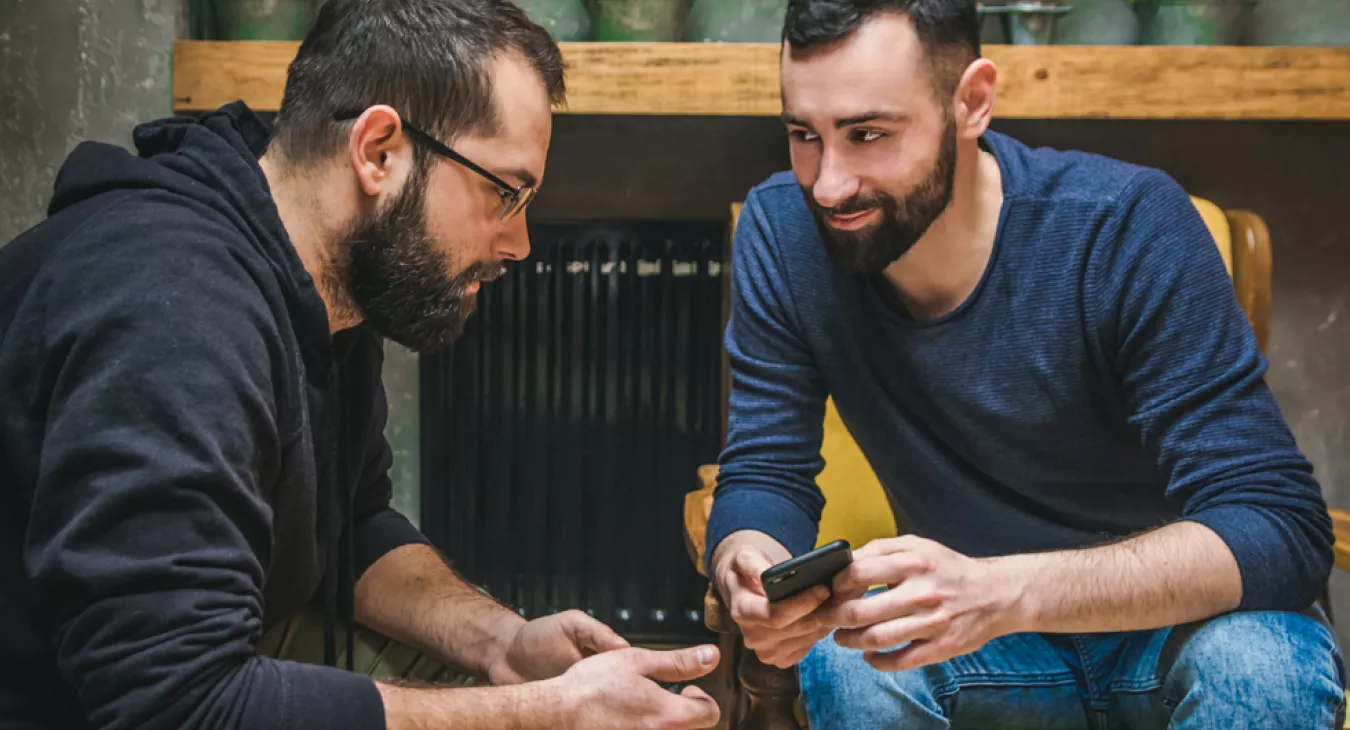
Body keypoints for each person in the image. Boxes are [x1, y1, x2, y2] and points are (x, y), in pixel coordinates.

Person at [0, 1, 722, 729]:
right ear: (378, 151)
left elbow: (352, 528)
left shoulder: (325, 280)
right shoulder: (174, 309)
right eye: (505, 192)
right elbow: (176, 704)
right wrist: (544, 712)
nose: (520, 243)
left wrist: (506, 644)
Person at [706, 0, 1344, 727]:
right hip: (979, 652)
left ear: (971, 101)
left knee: (1261, 664)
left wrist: (1008, 591)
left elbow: (1279, 528)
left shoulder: (1125, 225)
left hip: (1178, 634)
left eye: (869, 134)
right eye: (803, 135)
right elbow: (765, 470)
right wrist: (748, 566)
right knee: (850, 656)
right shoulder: (784, 231)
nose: (828, 184)